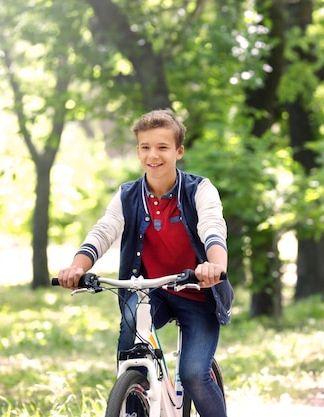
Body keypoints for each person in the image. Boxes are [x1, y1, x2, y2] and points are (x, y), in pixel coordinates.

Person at [57, 109, 232, 417]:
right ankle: (137, 399)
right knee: (131, 351)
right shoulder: (127, 195)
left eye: (163, 147)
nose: (153, 155)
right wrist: (77, 267)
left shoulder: (199, 190)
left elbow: (212, 228)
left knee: (193, 374)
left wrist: (214, 267)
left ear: (179, 151)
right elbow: (103, 231)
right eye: (145, 147)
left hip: (196, 293)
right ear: (138, 150)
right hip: (150, 293)